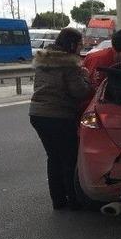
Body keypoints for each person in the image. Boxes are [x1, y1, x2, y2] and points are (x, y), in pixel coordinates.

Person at [29, 28, 92, 210]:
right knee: (69, 158)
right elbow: (79, 91)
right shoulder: (69, 64)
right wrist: (86, 79)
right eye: (80, 44)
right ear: (72, 44)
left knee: (53, 157)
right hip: (59, 115)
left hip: (37, 113)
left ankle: (58, 200)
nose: (81, 48)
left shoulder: (43, 60)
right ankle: (74, 200)